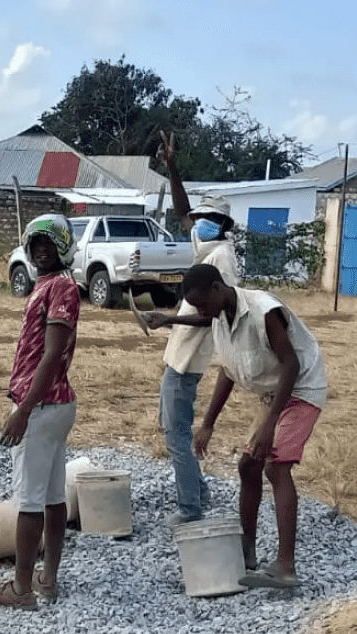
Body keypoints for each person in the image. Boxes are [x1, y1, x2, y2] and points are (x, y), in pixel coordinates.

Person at [152, 264, 327, 589]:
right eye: (198, 308)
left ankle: (285, 566)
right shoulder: (220, 322)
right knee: (248, 466)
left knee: (276, 467)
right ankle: (247, 551)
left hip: (301, 387)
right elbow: (228, 373)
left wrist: (270, 424)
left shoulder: (263, 310)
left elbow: (292, 363)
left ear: (218, 288)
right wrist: (207, 424)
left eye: (204, 304)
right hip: (273, 392)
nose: (203, 312)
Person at [0, 214, 81, 610]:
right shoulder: (51, 285)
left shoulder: (60, 287)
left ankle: (22, 589)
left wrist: (23, 411)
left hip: (40, 405)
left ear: (64, 247)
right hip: (56, 403)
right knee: (54, 496)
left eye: (49, 244)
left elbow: (53, 353)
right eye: (35, 244)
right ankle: (48, 578)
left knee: (28, 501)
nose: (42, 250)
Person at [141, 130, 240, 525]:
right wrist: (173, 167)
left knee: (177, 436)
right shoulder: (208, 247)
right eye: (200, 220)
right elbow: (183, 210)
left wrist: (168, 318)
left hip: (189, 362)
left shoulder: (223, 259)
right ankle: (197, 491)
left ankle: (190, 508)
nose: (196, 224)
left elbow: (214, 313)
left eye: (206, 220)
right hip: (180, 356)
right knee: (173, 426)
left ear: (221, 224)